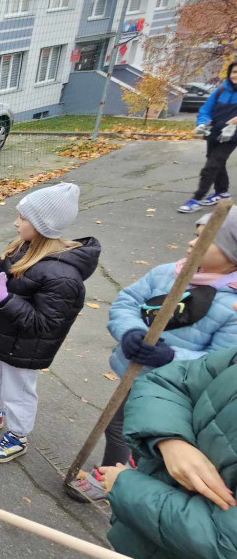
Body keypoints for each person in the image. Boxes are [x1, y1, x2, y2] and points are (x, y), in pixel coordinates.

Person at [59, 347, 237, 559]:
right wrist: (170, 440)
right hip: (190, 556)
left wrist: (124, 484)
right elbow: (169, 380)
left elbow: (227, 541)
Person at [69, 209, 237, 502]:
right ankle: (111, 471)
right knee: (117, 424)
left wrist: (171, 358)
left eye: (204, 239)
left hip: (173, 393)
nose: (191, 243)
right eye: (195, 234)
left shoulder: (231, 305)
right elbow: (128, 302)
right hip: (132, 374)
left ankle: (128, 483)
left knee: (150, 440)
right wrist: (130, 332)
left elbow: (219, 362)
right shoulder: (167, 274)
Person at [0, 183, 101, 463]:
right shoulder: (25, 247)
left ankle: (18, 436)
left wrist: (1, 298)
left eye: (22, 218)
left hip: (25, 347)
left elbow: (45, 323)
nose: (15, 222)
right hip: (4, 335)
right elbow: (9, 271)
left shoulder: (63, 277)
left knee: (19, 392)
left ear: (41, 225)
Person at [179, 62, 237, 213]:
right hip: (214, 133)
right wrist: (202, 122)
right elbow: (206, 109)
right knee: (217, 162)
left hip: (232, 136)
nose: (235, 75)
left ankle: (196, 199)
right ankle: (222, 192)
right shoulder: (221, 90)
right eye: (234, 72)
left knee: (212, 165)